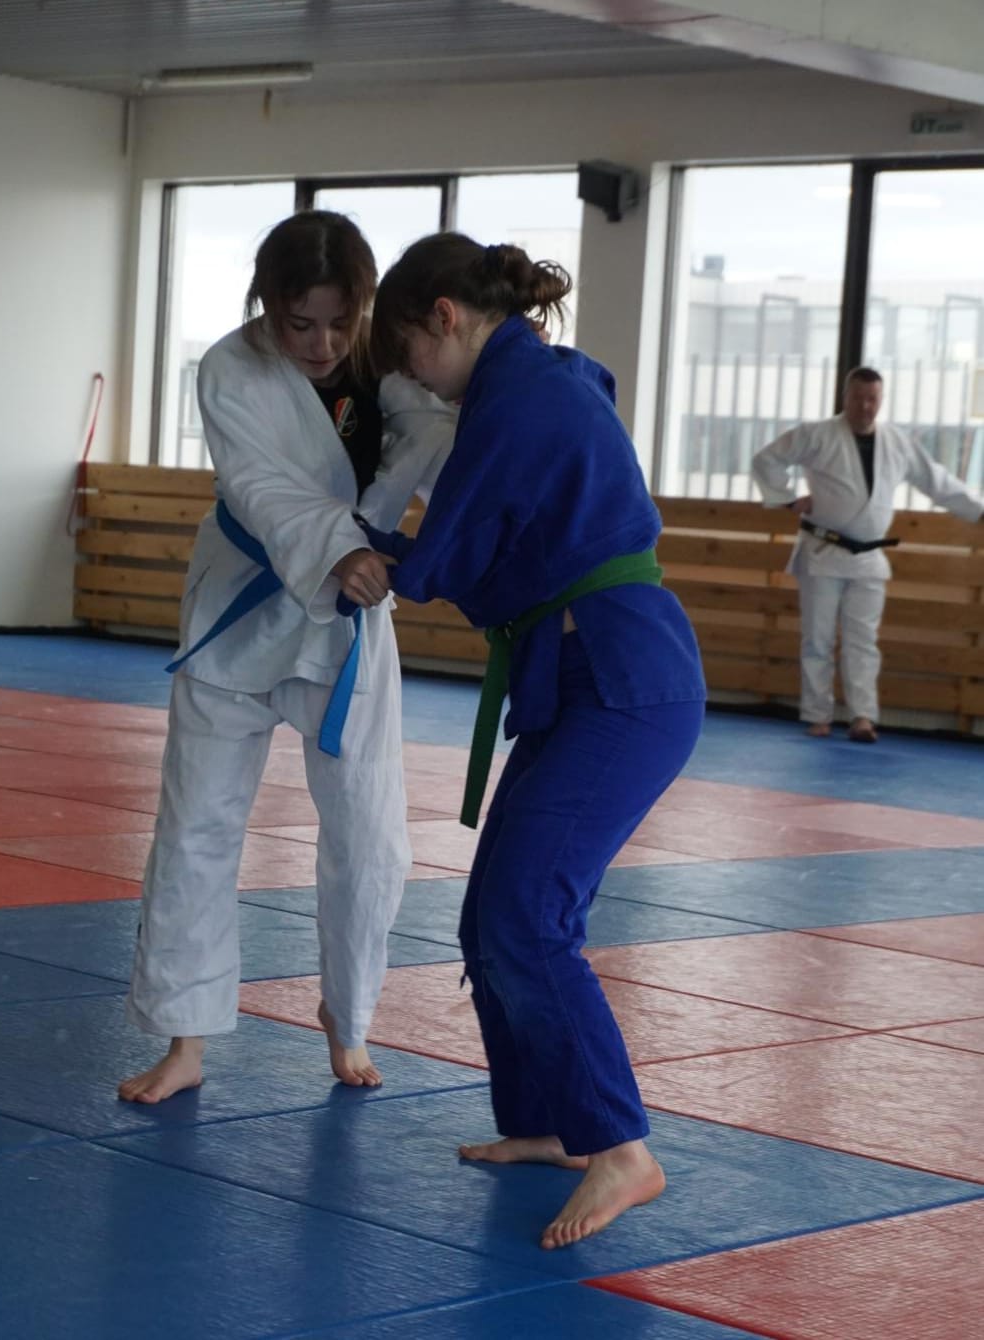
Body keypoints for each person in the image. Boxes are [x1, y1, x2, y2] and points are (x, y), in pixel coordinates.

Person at [367, 234, 706, 1250]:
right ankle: (549, 1120)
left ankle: (621, 1148)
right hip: (582, 675)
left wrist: (359, 547)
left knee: (528, 912)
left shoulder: (518, 397)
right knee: (491, 918)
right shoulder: (543, 376)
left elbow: (444, 559)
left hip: (624, 681)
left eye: (406, 352)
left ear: (443, 317)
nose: (411, 378)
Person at [118, 211, 454, 1104]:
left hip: (347, 620)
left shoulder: (397, 365)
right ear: (266, 302)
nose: (322, 343)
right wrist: (336, 548)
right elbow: (258, 486)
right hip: (240, 607)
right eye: (300, 322)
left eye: (341, 322)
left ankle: (350, 1016)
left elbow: (447, 458)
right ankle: (187, 1038)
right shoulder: (231, 368)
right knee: (196, 825)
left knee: (371, 834)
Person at [752, 367, 984, 742]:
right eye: (858, 397)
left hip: (869, 557)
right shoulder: (816, 434)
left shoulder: (897, 441)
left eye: (872, 399)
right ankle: (818, 715)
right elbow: (767, 459)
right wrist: (788, 498)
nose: (865, 406)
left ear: (881, 399)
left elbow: (936, 480)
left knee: (862, 641)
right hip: (823, 551)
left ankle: (862, 717)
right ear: (846, 397)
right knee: (818, 639)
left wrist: (977, 510)